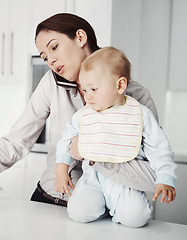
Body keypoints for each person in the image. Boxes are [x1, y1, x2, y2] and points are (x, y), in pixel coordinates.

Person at [0, 13, 159, 207]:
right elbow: (15, 143)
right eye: (45, 56)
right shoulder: (52, 83)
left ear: (80, 37)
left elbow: (153, 176)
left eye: (54, 47)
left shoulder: (135, 97)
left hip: (101, 212)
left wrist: (92, 151)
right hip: (46, 199)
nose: (50, 60)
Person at [55, 46, 177, 228]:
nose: (87, 97)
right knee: (78, 213)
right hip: (92, 176)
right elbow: (66, 139)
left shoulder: (139, 114)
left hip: (125, 180)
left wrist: (165, 178)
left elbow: (159, 147)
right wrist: (61, 170)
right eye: (84, 90)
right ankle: (103, 205)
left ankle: (115, 207)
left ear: (119, 85)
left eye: (94, 89)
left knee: (135, 219)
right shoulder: (84, 114)